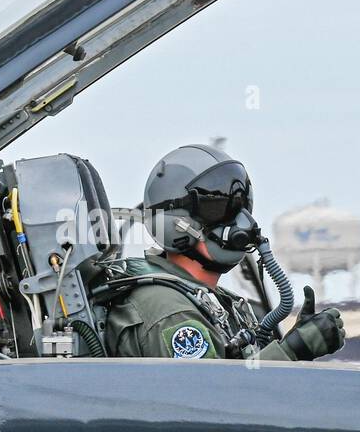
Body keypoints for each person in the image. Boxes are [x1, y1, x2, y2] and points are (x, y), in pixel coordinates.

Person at [101, 144, 345, 361]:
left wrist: (287, 348)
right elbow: (216, 402)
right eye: (220, 208)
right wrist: (293, 351)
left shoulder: (209, 301)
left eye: (241, 205)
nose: (241, 221)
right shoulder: (171, 313)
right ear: (176, 224)